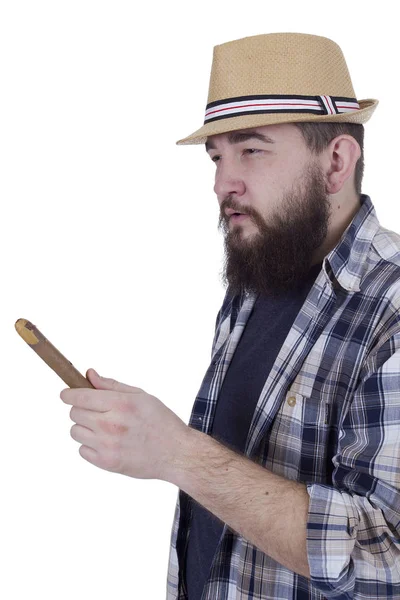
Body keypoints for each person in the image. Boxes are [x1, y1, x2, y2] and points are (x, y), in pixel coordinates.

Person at [165, 32, 400, 599]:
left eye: (251, 150)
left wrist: (177, 453)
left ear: (336, 161)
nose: (225, 183)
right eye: (218, 157)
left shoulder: (392, 307)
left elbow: (389, 558)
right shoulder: (255, 282)